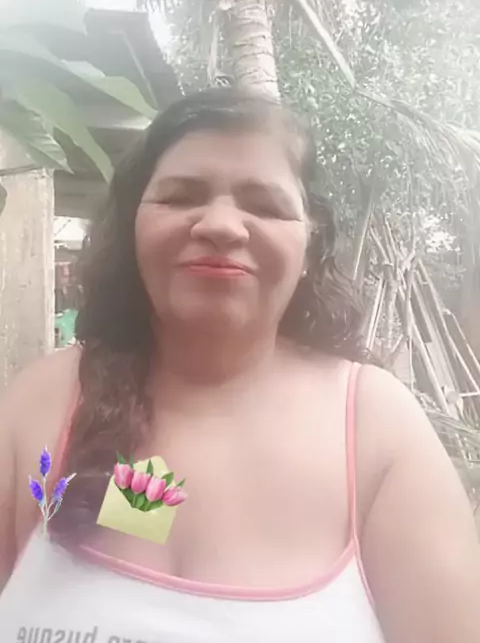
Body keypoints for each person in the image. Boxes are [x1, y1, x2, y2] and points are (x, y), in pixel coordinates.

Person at [0, 87, 479, 643]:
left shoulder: (377, 431)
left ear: (310, 243)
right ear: (133, 226)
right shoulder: (43, 401)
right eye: (180, 196)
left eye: (265, 205)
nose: (222, 226)